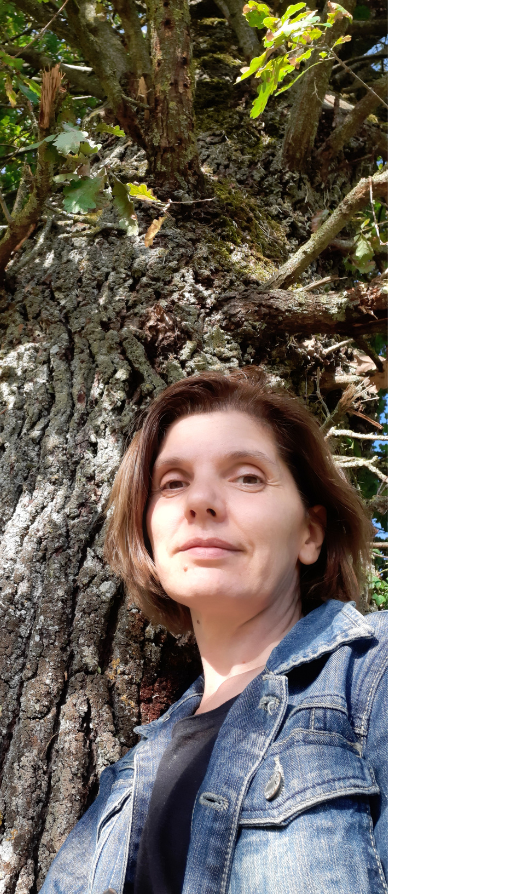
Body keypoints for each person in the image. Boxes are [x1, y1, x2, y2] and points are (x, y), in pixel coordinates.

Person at [39, 370, 388, 894]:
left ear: (310, 533)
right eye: (172, 483)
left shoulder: (384, 669)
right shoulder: (122, 788)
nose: (199, 501)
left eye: (247, 476)